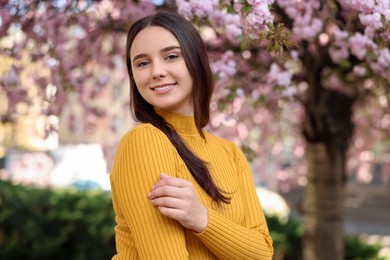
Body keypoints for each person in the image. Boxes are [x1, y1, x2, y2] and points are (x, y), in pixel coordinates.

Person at [110, 9, 273, 259]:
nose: (156, 71)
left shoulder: (230, 153)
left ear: (196, 61)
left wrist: (202, 219)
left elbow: (262, 252)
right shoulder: (145, 141)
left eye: (171, 56)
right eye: (142, 63)